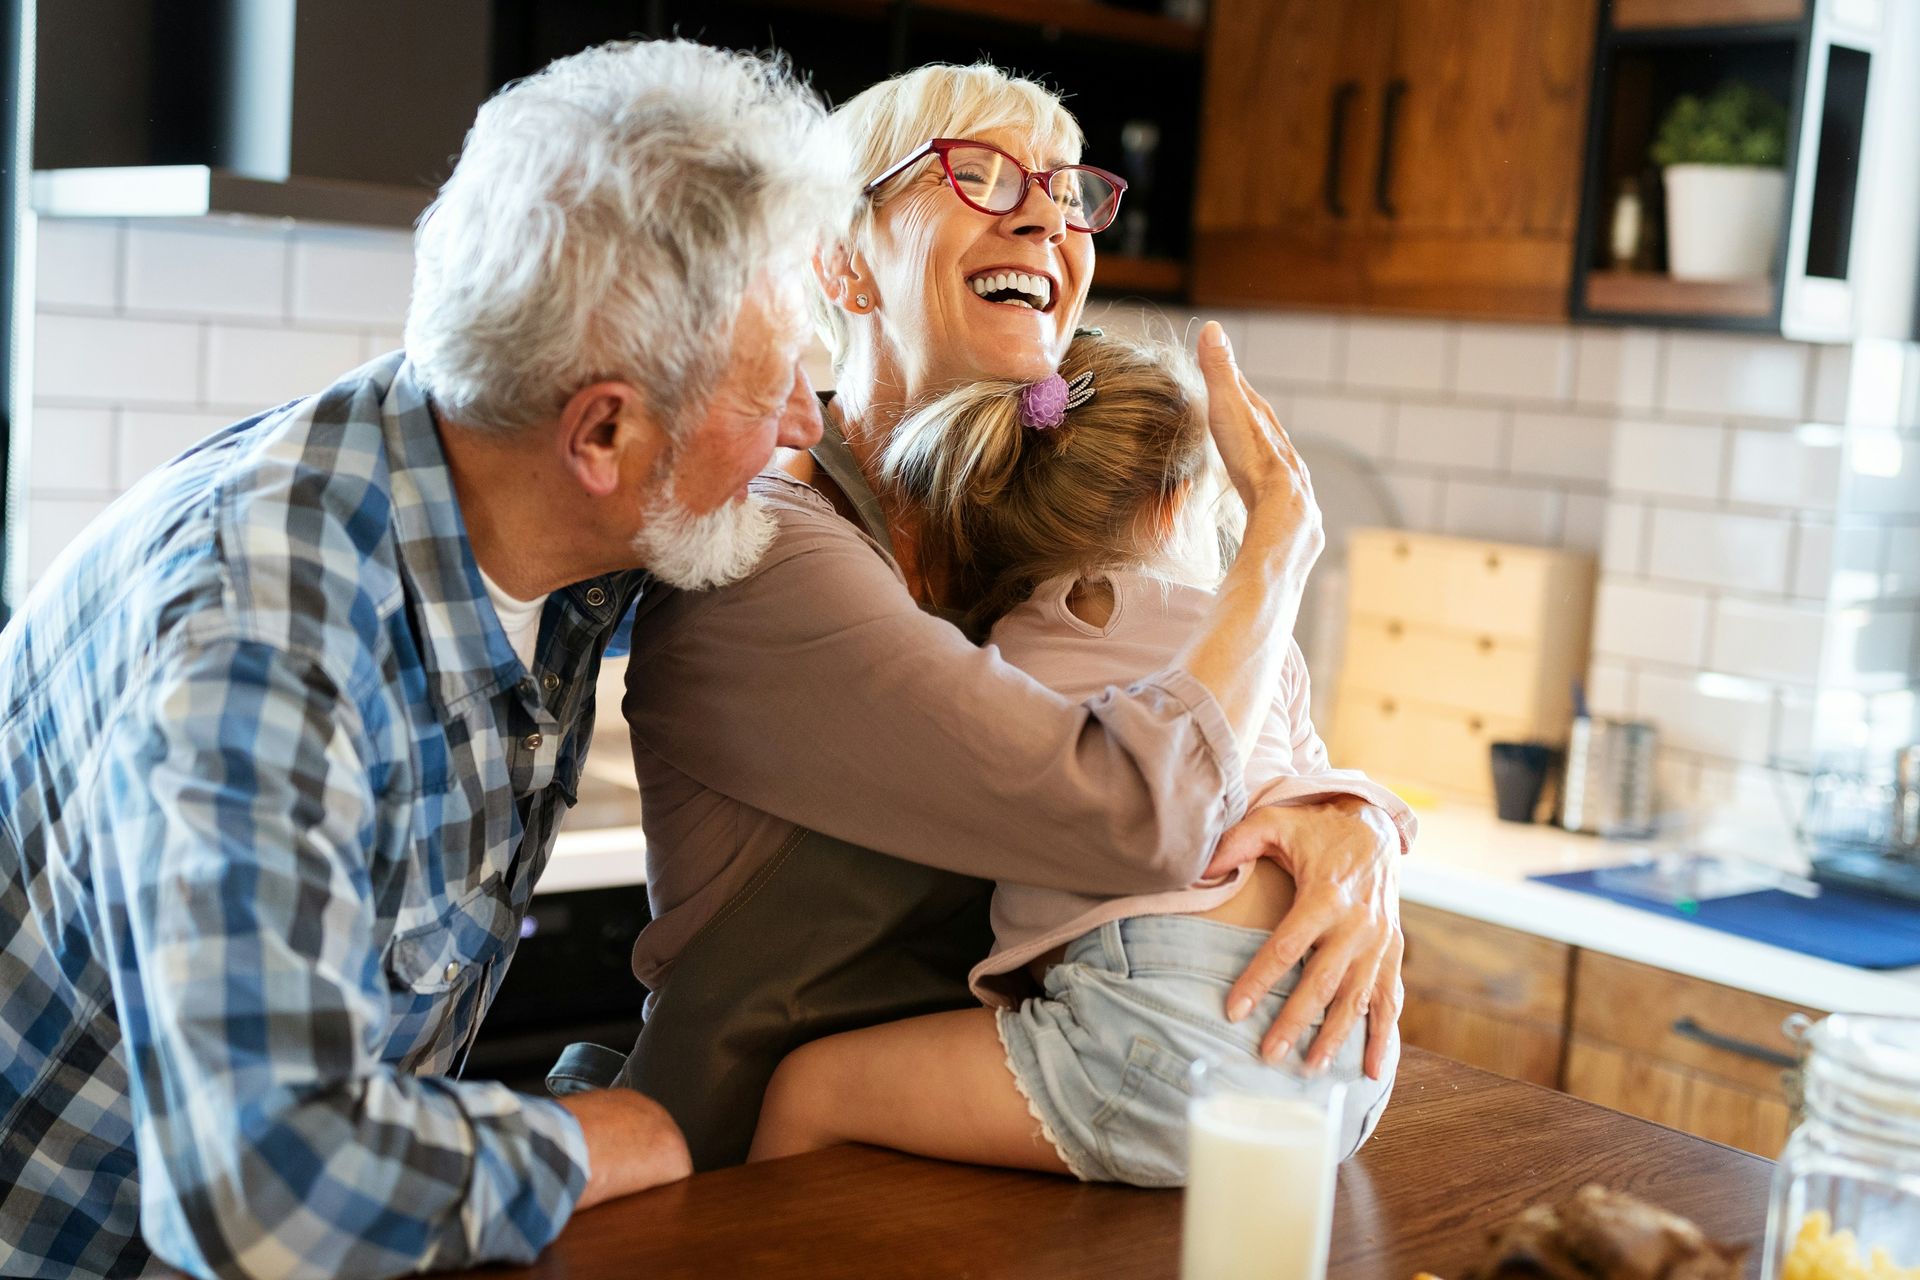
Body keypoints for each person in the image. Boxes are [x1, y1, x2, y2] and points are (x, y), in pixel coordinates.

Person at [0, 40, 848, 1279]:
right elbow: (267, 1190)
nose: (804, 424)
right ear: (603, 431)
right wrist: (588, 1136)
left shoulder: (523, 495)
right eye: (773, 386)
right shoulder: (261, 637)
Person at [600, 63, 1413, 1170]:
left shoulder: (1039, 538)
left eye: (1066, 191)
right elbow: (1135, 807)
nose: (1044, 213)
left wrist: (1351, 825)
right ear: (839, 258)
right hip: (748, 1187)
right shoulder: (765, 546)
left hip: (985, 1168)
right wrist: (1277, 544)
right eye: (976, 175)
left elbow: (1252, 733)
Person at [746, 330, 1413, 1180]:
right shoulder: (1261, 642)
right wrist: (1370, 819)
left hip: (1158, 1032)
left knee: (811, 1091)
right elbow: (1318, 782)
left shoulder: (995, 654)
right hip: (1343, 1065)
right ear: (1176, 508)